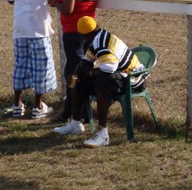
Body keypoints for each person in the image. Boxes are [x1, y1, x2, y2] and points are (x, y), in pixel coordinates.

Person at [53, 16, 145, 148]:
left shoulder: (102, 44)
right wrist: (75, 75)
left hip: (133, 78)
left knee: (102, 83)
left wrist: (89, 73)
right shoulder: (96, 38)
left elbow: (108, 70)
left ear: (83, 35)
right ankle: (75, 123)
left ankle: (103, 133)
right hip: (119, 75)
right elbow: (85, 61)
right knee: (78, 81)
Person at [4, 0, 66, 118]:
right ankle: (38, 107)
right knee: (42, 66)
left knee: (20, 66)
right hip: (38, 26)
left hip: (20, 27)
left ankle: (17, 104)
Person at [47, 0, 101, 121]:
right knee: (83, 70)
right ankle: (75, 111)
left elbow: (68, 9)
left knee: (72, 73)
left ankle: (75, 113)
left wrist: (55, 2)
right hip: (89, 31)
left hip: (73, 32)